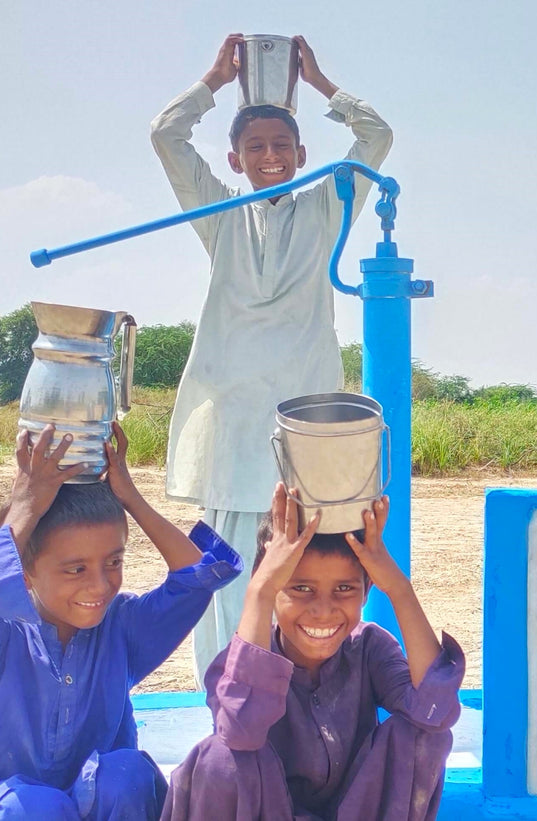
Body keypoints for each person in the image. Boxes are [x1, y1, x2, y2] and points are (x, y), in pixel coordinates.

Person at [150, 33, 393, 685]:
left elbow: (376, 138)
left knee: (305, 570)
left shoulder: (326, 205)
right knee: (224, 573)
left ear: (301, 153)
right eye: (255, 147)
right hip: (230, 424)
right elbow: (166, 137)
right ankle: (224, 702)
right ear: (235, 157)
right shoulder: (222, 214)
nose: (269, 156)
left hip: (300, 426)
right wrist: (212, 81)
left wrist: (318, 83)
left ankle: (299, 705)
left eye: (281, 146)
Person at [161, 483, 464, 821]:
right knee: (219, 758)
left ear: (366, 591)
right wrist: (260, 590)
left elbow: (435, 711)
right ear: (275, 587)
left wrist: (397, 586)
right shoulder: (241, 661)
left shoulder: (370, 648)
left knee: (424, 736)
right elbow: (239, 730)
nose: (323, 610)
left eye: (344, 588)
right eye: (300, 588)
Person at [0, 423, 242, 820]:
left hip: (111, 809)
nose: (100, 585)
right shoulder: (8, 633)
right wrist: (24, 504)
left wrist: (130, 496)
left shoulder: (123, 628)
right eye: (75, 569)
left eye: (113, 561)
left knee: (124, 775)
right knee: (34, 806)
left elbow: (197, 578)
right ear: (24, 571)